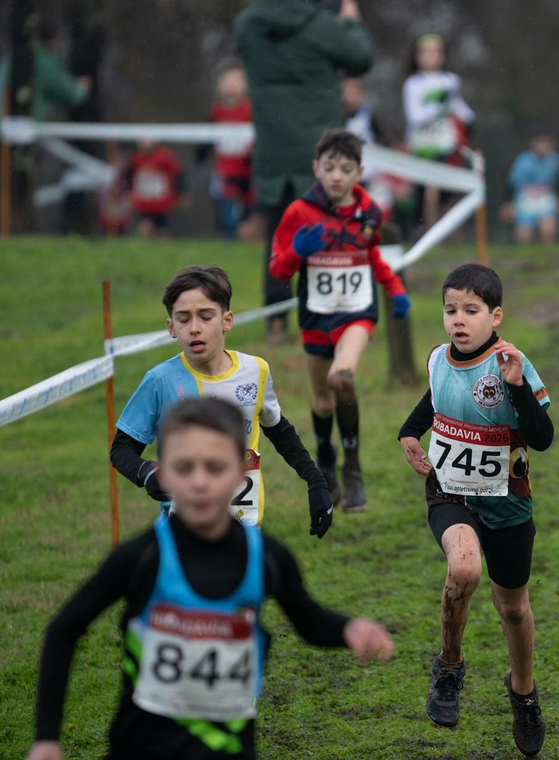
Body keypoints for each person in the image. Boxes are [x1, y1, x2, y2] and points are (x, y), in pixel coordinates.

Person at [25, 396, 394, 760]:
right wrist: (47, 739)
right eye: (184, 467)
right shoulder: (142, 557)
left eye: (214, 468)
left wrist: (348, 630)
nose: (198, 482)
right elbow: (64, 630)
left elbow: (308, 618)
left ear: (242, 471)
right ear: (163, 473)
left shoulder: (265, 557)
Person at [396, 264, 553, 757]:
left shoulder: (513, 364)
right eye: (450, 310)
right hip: (450, 492)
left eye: (470, 310)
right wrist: (408, 431)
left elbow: (544, 438)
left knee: (512, 607)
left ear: (495, 315)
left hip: (507, 503)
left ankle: (523, 693)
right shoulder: (439, 358)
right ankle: (449, 667)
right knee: (463, 566)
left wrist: (518, 388)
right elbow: (436, 399)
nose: (458, 320)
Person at [112, 265, 335, 539]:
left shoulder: (256, 371)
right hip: (183, 534)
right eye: (183, 319)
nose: (194, 328)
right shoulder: (160, 380)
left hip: (245, 530)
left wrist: (315, 481)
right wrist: (144, 472)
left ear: (226, 320)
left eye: (206, 317)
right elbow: (121, 448)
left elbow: (278, 430)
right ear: (171, 327)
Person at [234, 0, 373, 346]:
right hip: (320, 147)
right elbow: (361, 58)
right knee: (326, 229)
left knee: (278, 231)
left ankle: (276, 318)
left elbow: (247, 37)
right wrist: (348, 22)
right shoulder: (321, 23)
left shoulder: (249, 24)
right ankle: (323, 317)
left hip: (273, 145)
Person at [269, 129, 408, 514]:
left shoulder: (370, 213)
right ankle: (326, 464)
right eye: (329, 167)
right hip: (315, 316)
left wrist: (394, 289)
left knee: (341, 377)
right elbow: (277, 271)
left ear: (359, 172)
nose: (336, 176)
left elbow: (372, 255)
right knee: (322, 399)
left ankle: (354, 468)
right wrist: (297, 252)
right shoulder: (298, 213)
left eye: (346, 169)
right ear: (316, 168)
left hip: (357, 313)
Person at [0, 22, 92, 231]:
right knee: (20, 188)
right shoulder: (43, 61)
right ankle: (16, 232)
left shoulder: (12, 56)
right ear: (51, 42)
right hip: (19, 135)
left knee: (0, 187)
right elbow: (70, 95)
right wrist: (82, 88)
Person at [402, 33, 474, 232]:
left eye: (435, 51)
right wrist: (439, 105)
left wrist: (470, 120)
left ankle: (439, 230)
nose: (431, 56)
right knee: (424, 192)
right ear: (417, 56)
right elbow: (414, 117)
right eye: (426, 51)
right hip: (421, 146)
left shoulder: (451, 80)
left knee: (441, 191)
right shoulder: (412, 84)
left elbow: (458, 106)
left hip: (445, 143)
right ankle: (427, 230)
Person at [201, 65, 259, 242]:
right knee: (225, 215)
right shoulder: (215, 111)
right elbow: (205, 138)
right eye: (227, 81)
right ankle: (228, 242)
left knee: (249, 217)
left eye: (236, 80)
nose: (231, 85)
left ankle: (243, 243)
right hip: (224, 172)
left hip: (248, 173)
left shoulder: (250, 109)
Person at [341, 76, 396, 216]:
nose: (350, 97)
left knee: (376, 209)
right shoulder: (338, 118)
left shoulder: (369, 115)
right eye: (347, 92)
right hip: (348, 178)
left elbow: (385, 140)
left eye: (354, 92)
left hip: (370, 174)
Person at [503, 134, 559, 245]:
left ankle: (546, 253)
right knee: (525, 231)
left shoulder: (555, 160)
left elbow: (557, 180)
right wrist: (508, 203)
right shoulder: (523, 161)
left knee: (548, 227)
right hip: (526, 196)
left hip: (545, 195)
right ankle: (525, 255)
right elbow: (512, 182)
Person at [124, 139, 187, 237]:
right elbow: (128, 176)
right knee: (145, 228)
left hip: (161, 202)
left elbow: (178, 173)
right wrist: (127, 193)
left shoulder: (165, 156)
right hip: (144, 201)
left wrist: (182, 192)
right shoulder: (135, 157)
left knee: (163, 229)